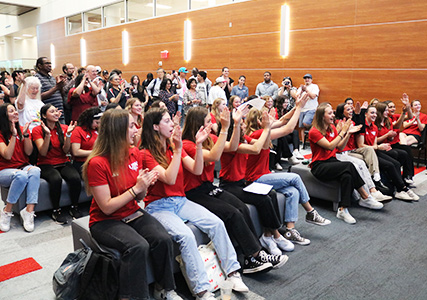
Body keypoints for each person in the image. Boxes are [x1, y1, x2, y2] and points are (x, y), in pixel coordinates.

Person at [140, 108, 249, 300]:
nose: (173, 125)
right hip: (158, 205)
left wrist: (198, 145)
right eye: (167, 121)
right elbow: (169, 178)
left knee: (216, 223)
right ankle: (202, 291)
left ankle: (232, 273)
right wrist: (178, 149)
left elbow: (197, 169)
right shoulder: (146, 153)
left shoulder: (173, 148)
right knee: (185, 235)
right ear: (155, 127)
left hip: (180, 201)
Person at [82, 109, 180, 300]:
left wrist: (143, 187)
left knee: (163, 239)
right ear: (117, 131)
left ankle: (165, 289)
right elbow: (107, 207)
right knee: (138, 246)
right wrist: (136, 189)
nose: (136, 130)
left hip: (132, 212)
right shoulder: (97, 163)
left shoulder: (134, 153)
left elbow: (139, 197)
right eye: (131, 126)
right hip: (106, 221)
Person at [182, 106, 287, 273]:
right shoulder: (188, 144)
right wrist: (225, 127)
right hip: (194, 193)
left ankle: (256, 254)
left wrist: (236, 123)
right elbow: (214, 156)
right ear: (198, 125)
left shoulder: (210, 138)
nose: (211, 124)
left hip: (209, 187)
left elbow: (231, 146)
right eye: (208, 122)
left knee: (242, 208)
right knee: (232, 213)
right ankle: (252, 256)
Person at [245, 98, 332, 244]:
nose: (272, 119)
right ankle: (311, 212)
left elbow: (284, 120)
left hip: (264, 175)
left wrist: (298, 107)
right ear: (260, 122)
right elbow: (288, 129)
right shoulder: (258, 134)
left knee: (293, 191)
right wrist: (298, 108)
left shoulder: (261, 131)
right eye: (268, 118)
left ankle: (290, 231)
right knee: (295, 178)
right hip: (255, 179)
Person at [309, 103, 384, 224]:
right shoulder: (314, 131)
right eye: (329, 113)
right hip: (319, 166)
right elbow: (329, 147)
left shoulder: (332, 128)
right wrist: (342, 132)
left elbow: (339, 147)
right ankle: (365, 196)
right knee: (349, 165)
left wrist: (348, 134)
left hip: (332, 161)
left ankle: (343, 209)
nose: (333, 115)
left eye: (333, 113)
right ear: (322, 116)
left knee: (347, 176)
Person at [356, 105, 419, 201]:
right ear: (365, 114)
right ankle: (402, 189)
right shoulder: (362, 126)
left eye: (375, 113)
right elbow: (361, 145)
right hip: (366, 153)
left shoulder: (374, 127)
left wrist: (380, 145)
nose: (374, 115)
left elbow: (374, 144)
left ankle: (400, 188)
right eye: (372, 113)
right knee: (390, 165)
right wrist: (378, 147)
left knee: (396, 163)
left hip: (374, 151)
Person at [32, 104, 82, 223]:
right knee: (56, 179)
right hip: (45, 163)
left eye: (56, 111)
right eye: (52, 111)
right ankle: (56, 210)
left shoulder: (64, 128)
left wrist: (69, 135)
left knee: (75, 178)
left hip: (63, 161)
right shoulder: (37, 130)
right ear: (44, 115)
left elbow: (66, 150)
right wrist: (48, 135)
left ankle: (74, 207)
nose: (56, 113)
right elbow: (43, 153)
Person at [334, 103, 392, 202]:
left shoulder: (352, 121)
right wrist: (344, 130)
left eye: (351, 109)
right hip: (343, 152)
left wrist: (359, 113)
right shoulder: (339, 123)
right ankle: (369, 192)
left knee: (370, 152)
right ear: (342, 112)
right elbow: (338, 144)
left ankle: (375, 181)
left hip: (352, 150)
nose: (350, 111)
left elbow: (360, 126)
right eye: (348, 110)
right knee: (361, 162)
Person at [0, 104, 40, 232]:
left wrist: (26, 135)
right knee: (21, 175)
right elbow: (7, 155)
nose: (16, 112)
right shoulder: (1, 133)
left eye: (15, 110)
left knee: (35, 170)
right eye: (11, 111)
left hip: (22, 166)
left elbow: (28, 153)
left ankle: (29, 211)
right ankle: (7, 211)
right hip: (4, 170)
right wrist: (13, 135)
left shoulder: (22, 129)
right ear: (4, 116)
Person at [376, 101, 415, 185]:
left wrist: (407, 108)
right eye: (389, 108)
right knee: (397, 154)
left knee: (406, 151)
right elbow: (395, 126)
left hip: (391, 143)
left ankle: (407, 176)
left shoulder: (389, 119)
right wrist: (388, 136)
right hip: (382, 146)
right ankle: (395, 177)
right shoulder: (377, 122)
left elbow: (410, 117)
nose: (392, 109)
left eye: (393, 107)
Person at [71, 107, 101, 176]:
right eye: (96, 122)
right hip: (82, 163)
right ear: (90, 120)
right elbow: (76, 152)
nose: (97, 125)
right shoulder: (78, 130)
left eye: (99, 123)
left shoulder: (96, 130)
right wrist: (96, 152)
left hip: (96, 161)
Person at [35, 57, 66, 123]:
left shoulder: (52, 78)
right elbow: (39, 96)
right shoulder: (36, 78)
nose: (50, 65)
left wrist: (61, 86)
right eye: (47, 63)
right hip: (48, 116)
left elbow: (61, 94)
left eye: (50, 63)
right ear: (40, 66)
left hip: (59, 113)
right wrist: (56, 87)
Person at [296, 73, 319, 144]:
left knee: (305, 123)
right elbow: (297, 97)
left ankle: (316, 129)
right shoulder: (300, 88)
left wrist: (306, 90)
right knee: (302, 127)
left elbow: (313, 96)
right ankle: (303, 143)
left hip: (311, 109)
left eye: (308, 78)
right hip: (302, 109)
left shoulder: (314, 86)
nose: (307, 80)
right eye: (305, 78)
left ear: (311, 80)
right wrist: (301, 91)